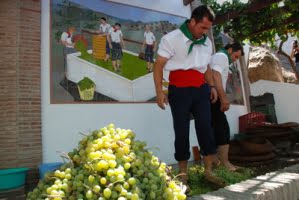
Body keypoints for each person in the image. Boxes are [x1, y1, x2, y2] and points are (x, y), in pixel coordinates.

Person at [153, 5, 225, 186]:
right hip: (179, 90)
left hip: (201, 90)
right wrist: (159, 91)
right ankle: (183, 173)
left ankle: (208, 171)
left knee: (205, 128)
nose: (205, 32)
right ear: (192, 21)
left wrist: (212, 86)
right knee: (181, 130)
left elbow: (206, 67)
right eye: (203, 27)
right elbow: (159, 65)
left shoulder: (207, 42)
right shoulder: (171, 39)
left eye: (208, 28)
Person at [210, 42, 244, 171]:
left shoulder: (219, 56)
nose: (235, 60)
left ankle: (219, 163)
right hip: (214, 97)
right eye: (236, 56)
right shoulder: (221, 56)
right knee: (222, 129)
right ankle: (224, 163)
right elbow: (215, 75)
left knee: (217, 128)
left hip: (213, 96)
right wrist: (223, 97)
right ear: (230, 50)